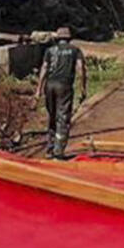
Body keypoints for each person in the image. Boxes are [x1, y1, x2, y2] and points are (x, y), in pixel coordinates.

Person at [34, 26, 86, 159]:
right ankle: (58, 151)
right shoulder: (75, 50)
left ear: (58, 39)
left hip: (49, 85)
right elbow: (81, 69)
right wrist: (83, 88)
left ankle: (49, 149)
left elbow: (44, 69)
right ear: (69, 39)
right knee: (63, 117)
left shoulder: (50, 51)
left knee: (52, 116)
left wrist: (38, 90)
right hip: (64, 86)